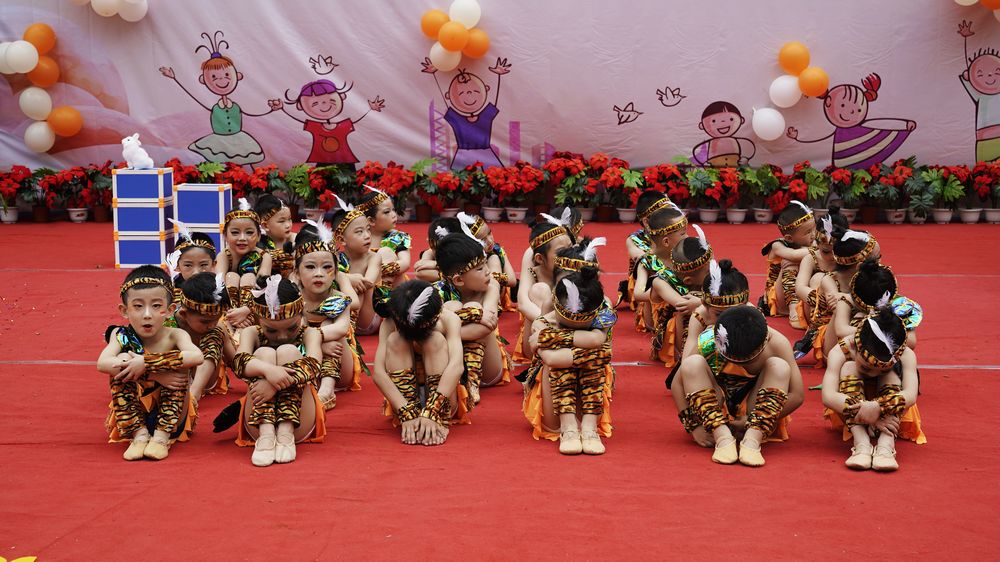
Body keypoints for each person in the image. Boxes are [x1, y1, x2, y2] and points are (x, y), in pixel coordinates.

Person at [97, 267, 204, 461]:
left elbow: (197, 357)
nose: (147, 314)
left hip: (172, 416)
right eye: (138, 306)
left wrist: (148, 362)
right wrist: (152, 373)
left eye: (156, 306)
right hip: (133, 414)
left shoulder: (175, 335)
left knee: (179, 366)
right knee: (122, 361)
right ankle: (139, 435)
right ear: (124, 310)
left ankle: (161, 438)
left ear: (170, 310)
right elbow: (103, 363)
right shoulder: (121, 335)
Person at [676, 306, 804, 466]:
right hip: (714, 411)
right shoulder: (711, 339)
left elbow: (797, 395)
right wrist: (694, 427)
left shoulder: (777, 342)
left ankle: (753, 438)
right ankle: (722, 435)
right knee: (691, 364)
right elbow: (677, 383)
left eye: (749, 361)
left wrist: (751, 420)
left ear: (764, 341)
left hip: (756, 411)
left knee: (779, 366)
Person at [232, 275, 325, 467]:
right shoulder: (251, 332)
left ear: (301, 313)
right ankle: (266, 434)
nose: (282, 336)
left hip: (300, 420)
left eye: (291, 328)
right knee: (264, 353)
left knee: (288, 351)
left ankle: (285, 431)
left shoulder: (310, 333)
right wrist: (268, 371)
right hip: (257, 422)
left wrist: (273, 385)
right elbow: (239, 363)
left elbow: (314, 365)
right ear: (257, 319)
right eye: (272, 331)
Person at [821, 308, 923, 471]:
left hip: (891, 415)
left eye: (881, 370)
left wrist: (878, 406)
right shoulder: (842, 349)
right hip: (850, 411)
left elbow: (910, 395)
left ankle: (886, 443)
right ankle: (861, 442)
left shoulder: (906, 354)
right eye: (866, 368)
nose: (874, 374)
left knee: (891, 375)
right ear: (855, 345)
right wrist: (869, 414)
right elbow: (828, 396)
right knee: (848, 367)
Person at [372, 281, 467, 446]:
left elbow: (456, 367)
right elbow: (379, 373)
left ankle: (439, 417)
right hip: (404, 401)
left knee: (434, 339)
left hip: (443, 398)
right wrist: (406, 412)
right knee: (395, 339)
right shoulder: (389, 324)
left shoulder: (450, 319)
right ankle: (412, 416)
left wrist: (432, 410)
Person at [532, 268, 615, 455]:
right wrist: (584, 346)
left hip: (592, 388)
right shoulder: (543, 321)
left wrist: (553, 339)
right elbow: (551, 359)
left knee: (591, 359)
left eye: (580, 327)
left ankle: (589, 426)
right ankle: (568, 425)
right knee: (589, 356)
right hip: (554, 403)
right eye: (565, 325)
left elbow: (596, 340)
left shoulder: (605, 314)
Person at [435, 227, 510, 405]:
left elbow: (487, 325)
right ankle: (459, 381)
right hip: (453, 366)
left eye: (486, 264)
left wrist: (447, 330)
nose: (488, 272)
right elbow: (430, 327)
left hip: (489, 368)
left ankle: (472, 382)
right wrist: (471, 318)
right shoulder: (438, 292)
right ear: (458, 280)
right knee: (452, 306)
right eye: (480, 268)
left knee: (473, 307)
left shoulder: (491, 287)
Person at [294, 220, 361, 409]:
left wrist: (315, 339)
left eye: (326, 267)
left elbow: (341, 328)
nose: (319, 273)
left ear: (336, 273)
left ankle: (327, 389)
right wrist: (318, 345)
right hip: (306, 362)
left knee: (328, 325)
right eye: (310, 267)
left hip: (340, 368)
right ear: (297, 273)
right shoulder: (293, 297)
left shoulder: (339, 298)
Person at [635, 204, 699, 368]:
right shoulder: (649, 262)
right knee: (685, 312)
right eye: (683, 233)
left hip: (694, 307)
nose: (687, 236)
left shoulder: (688, 257)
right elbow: (638, 294)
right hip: (674, 319)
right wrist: (657, 292)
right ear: (666, 241)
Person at [513, 210, 575, 362]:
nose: (568, 255)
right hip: (539, 333)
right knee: (539, 290)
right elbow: (523, 303)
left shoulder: (576, 260)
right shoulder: (532, 257)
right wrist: (552, 327)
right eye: (561, 252)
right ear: (540, 259)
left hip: (571, 332)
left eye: (570, 248)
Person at [171, 272, 235, 402]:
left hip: (205, 382)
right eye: (205, 321)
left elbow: (236, 362)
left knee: (216, 332)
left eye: (217, 318)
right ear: (183, 314)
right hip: (172, 380)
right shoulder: (165, 322)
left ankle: (195, 393)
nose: (212, 325)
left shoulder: (217, 327)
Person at [329, 195, 383, 335]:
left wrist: (345, 278)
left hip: (367, 320)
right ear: (342, 239)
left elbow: (367, 283)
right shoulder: (337, 258)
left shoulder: (373, 257)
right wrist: (346, 278)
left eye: (368, 229)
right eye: (359, 232)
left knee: (358, 284)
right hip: (344, 318)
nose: (367, 235)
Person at [217, 198, 272, 330]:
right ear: (225, 235)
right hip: (227, 311)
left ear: (259, 236)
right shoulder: (224, 255)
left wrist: (246, 310)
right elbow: (218, 286)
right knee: (231, 276)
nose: (242, 238)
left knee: (249, 277)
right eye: (235, 232)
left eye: (249, 233)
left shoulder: (264, 256)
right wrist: (233, 314)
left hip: (254, 308)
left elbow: (263, 288)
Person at [760, 200, 814, 328]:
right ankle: (794, 310)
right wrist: (820, 250)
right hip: (778, 298)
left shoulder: (811, 243)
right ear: (789, 238)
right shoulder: (777, 245)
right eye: (808, 232)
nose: (813, 235)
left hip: (800, 290)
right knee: (790, 262)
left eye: (814, 228)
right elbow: (794, 255)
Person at [457, 212, 518, 311]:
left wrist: (491, 276)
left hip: (494, 292)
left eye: (489, 233)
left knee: (494, 259)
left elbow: (512, 280)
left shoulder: (497, 250)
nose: (489, 241)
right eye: (482, 239)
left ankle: (492, 305)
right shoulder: (465, 257)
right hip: (471, 296)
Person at [255, 194, 296, 278]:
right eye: (282, 221)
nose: (288, 225)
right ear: (265, 225)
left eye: (289, 219)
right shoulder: (259, 244)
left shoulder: (294, 240)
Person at [413, 217, 463, 283]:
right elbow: (419, 269)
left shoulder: (468, 254)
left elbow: (421, 273)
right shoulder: (429, 252)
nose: (442, 252)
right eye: (435, 248)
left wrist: (436, 264)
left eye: (447, 248)